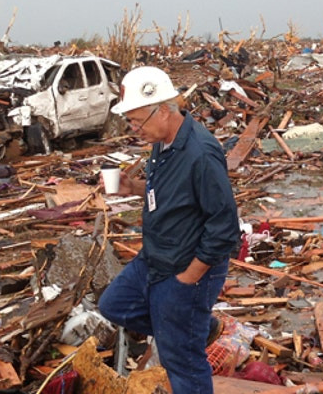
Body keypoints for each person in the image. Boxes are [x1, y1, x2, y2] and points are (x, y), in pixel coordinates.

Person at [98, 66, 240, 394]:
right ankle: (194, 328)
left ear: (163, 109)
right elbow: (166, 192)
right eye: (130, 121)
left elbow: (224, 227)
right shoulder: (163, 142)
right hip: (155, 258)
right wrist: (131, 186)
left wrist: (189, 277)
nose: (134, 129)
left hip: (185, 268)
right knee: (114, 304)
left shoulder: (200, 153)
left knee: (183, 361)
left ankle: (187, 330)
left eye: (137, 121)